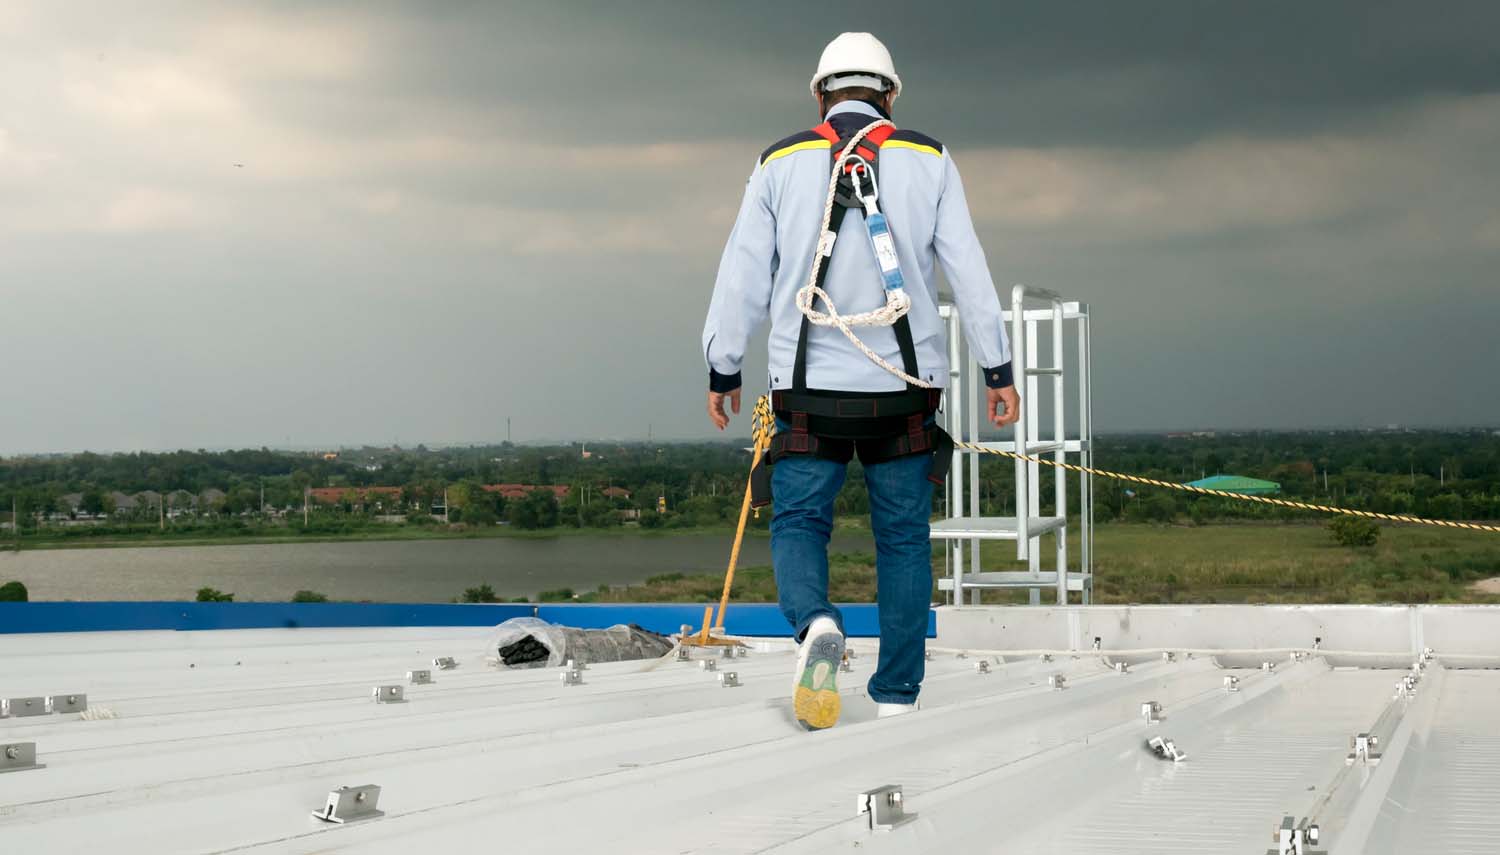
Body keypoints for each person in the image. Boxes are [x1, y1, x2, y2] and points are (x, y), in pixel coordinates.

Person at [701, 32, 1020, 730]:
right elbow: (968, 269)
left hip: (809, 394)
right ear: (890, 96)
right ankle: (897, 693)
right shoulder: (928, 158)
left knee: (799, 521)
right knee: (902, 538)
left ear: (820, 95)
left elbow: (741, 280)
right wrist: (998, 367)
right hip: (903, 391)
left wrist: (724, 368)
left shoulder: (779, 162)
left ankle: (815, 621)